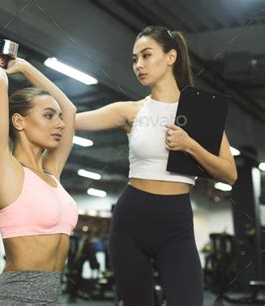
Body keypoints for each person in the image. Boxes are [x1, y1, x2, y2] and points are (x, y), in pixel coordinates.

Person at [75, 25, 237, 306]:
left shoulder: (201, 112)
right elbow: (68, 121)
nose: (139, 65)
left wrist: (190, 145)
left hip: (176, 224)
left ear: (171, 56)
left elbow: (229, 173)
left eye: (146, 55)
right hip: (130, 220)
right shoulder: (131, 111)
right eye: (134, 59)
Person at [0, 56, 78, 305]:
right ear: (18, 121)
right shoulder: (5, 169)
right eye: (48, 116)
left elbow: (70, 110)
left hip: (52, 297)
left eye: (57, 117)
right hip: (14, 298)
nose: (59, 123)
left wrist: (24, 67)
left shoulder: (51, 172)